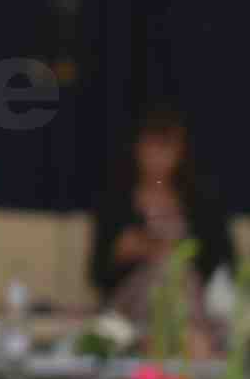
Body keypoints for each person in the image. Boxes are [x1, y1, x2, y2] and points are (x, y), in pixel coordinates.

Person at [89, 103, 235, 354]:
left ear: (180, 151)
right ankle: (164, 341)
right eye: (151, 146)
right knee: (159, 276)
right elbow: (98, 274)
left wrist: (180, 253)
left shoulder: (201, 202)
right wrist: (127, 252)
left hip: (192, 302)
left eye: (166, 147)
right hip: (130, 309)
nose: (158, 157)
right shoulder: (116, 202)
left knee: (173, 274)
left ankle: (180, 340)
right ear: (137, 148)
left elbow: (224, 265)